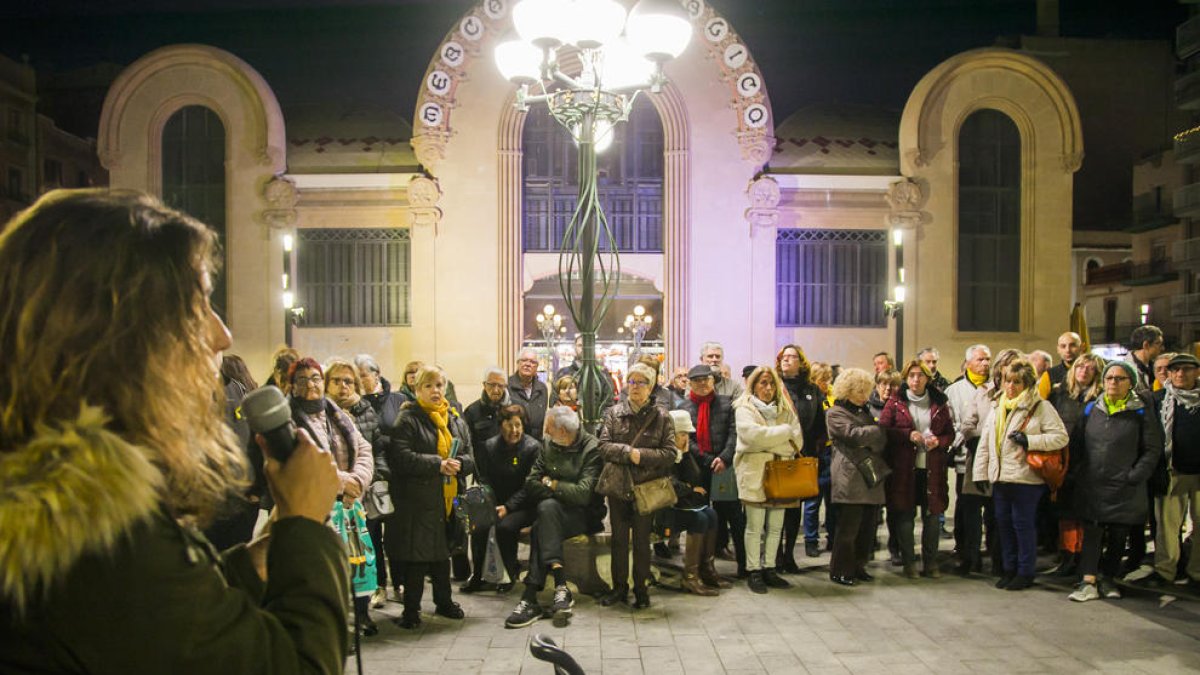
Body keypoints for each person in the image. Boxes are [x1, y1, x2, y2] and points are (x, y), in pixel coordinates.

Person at [0, 190, 348, 671]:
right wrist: (306, 527)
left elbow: (150, 626)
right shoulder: (93, 523)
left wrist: (263, 556)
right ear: (122, 332)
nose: (220, 335)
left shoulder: (63, 503)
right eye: (197, 305)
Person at [288, 357, 377, 633]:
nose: (310, 384)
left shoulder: (336, 413)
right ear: (292, 387)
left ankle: (360, 616)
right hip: (316, 508)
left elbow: (364, 449)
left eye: (314, 378)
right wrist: (344, 483)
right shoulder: (289, 419)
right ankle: (330, 625)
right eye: (302, 380)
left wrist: (357, 482)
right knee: (324, 570)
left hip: (350, 504)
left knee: (358, 563)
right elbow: (304, 462)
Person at [384, 365, 475, 629]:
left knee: (441, 554)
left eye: (439, 385)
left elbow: (470, 455)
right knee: (417, 557)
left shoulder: (454, 418)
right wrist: (437, 464)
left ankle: (443, 602)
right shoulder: (408, 419)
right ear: (417, 390)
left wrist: (459, 463)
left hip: (447, 498)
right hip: (417, 500)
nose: (435, 391)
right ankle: (411, 610)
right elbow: (401, 457)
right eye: (429, 386)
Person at [1068, 361, 1163, 601]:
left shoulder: (1141, 411)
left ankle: (1108, 578)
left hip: (1125, 486)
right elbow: (1076, 444)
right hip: (1093, 483)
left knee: (1119, 534)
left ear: (1131, 383)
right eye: (1109, 378)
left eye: (1120, 378)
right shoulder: (1092, 409)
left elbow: (1152, 449)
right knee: (1092, 532)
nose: (1113, 382)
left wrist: (1135, 475)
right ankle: (1087, 580)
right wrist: (1079, 471)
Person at [972, 359, 1068, 591]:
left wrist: (1030, 441)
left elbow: (1060, 437)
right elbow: (986, 442)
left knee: (1022, 526)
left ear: (1027, 384)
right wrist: (981, 472)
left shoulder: (1040, 406)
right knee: (1003, 525)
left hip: (1026, 479)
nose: (1011, 386)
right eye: (1008, 381)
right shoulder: (998, 405)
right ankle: (1009, 568)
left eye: (1017, 382)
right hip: (1002, 477)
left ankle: (1025, 572)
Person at [504, 406, 604, 628]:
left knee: (543, 519)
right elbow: (530, 482)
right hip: (553, 512)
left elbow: (583, 495)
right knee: (547, 512)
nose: (545, 434)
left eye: (549, 430)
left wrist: (551, 483)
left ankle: (531, 598)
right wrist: (561, 490)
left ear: (563, 432)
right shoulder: (549, 445)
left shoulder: (592, 449)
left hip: (584, 515)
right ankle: (560, 587)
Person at [597, 363, 677, 609]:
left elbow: (670, 453)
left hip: (645, 486)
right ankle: (619, 588)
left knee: (642, 541)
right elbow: (603, 446)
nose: (635, 387)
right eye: (632, 382)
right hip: (618, 486)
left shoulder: (662, 417)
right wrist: (627, 452)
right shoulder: (614, 413)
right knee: (619, 540)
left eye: (641, 382)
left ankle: (641, 590)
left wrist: (641, 456)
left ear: (650, 387)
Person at [325, 357, 394, 611]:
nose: (343, 386)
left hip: (362, 491)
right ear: (327, 383)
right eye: (337, 381)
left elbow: (375, 450)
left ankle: (370, 597)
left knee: (369, 545)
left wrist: (376, 476)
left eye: (349, 381)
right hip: (331, 495)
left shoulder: (365, 410)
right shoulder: (320, 412)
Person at [879, 360, 954, 579]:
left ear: (928, 378)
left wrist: (939, 442)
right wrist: (907, 435)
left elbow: (950, 433)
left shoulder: (939, 402)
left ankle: (930, 563)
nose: (915, 379)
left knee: (932, 516)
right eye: (911, 375)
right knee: (905, 516)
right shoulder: (895, 402)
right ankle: (909, 562)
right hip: (904, 469)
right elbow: (884, 430)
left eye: (920, 375)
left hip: (932, 467)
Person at [733, 366, 804, 593]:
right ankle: (753, 571)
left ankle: (770, 568)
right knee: (754, 526)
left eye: (772, 383)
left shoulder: (785, 410)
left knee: (776, 526)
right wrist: (783, 433)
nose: (768, 388)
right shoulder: (744, 408)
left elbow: (798, 442)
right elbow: (751, 436)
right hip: (754, 474)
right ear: (753, 385)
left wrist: (767, 441)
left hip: (781, 474)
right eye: (763, 383)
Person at [463, 404, 539, 593]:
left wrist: (508, 507)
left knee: (505, 526)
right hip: (497, 500)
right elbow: (484, 478)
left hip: (524, 504)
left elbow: (529, 486)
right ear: (500, 426)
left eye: (518, 426)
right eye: (509, 426)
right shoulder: (489, 446)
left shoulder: (532, 448)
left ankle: (508, 573)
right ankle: (478, 575)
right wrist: (489, 503)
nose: (514, 431)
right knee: (479, 524)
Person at [680, 364, 744, 577]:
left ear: (713, 381)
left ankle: (745, 566)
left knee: (734, 516)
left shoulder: (727, 404)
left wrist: (724, 458)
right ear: (690, 383)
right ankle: (703, 565)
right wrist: (709, 460)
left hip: (725, 468)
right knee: (702, 516)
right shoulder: (685, 407)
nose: (702, 384)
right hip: (699, 469)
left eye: (706, 379)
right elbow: (687, 440)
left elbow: (735, 434)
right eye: (697, 380)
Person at [826, 368, 888, 586]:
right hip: (850, 478)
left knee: (867, 529)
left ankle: (858, 566)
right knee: (848, 530)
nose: (863, 395)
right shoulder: (835, 413)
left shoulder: (865, 413)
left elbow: (878, 442)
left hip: (869, 478)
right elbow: (853, 436)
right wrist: (877, 429)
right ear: (846, 390)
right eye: (858, 391)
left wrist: (873, 433)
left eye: (865, 391)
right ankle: (840, 570)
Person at [1045, 352, 1105, 579]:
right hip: (1064, 461)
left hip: (1091, 462)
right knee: (1066, 512)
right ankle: (1067, 556)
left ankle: (1084, 558)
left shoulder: (1099, 398)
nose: (1084, 371)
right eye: (1080, 367)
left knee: (1086, 514)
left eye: (1090, 368)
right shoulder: (1059, 395)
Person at [1147, 353, 1200, 590]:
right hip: (1171, 471)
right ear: (1168, 373)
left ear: (1197, 372)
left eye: (1187, 369)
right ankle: (1165, 571)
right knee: (1167, 527)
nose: (1180, 374)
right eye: (1176, 370)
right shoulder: (1158, 399)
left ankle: (1196, 572)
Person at [775, 344, 829, 567]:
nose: (787, 360)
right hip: (777, 455)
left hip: (802, 456)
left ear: (801, 362)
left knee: (795, 507)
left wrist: (813, 452)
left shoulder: (812, 390)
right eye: (784, 357)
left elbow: (819, 424)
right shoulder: (775, 387)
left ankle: (789, 555)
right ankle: (775, 555)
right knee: (777, 508)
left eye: (792, 356)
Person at [666, 409, 725, 596]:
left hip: (682, 504)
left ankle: (706, 569)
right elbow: (671, 484)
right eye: (681, 434)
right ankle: (690, 576)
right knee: (699, 518)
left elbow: (695, 476)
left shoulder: (684, 454)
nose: (685, 439)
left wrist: (684, 456)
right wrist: (690, 488)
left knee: (711, 514)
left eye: (686, 434)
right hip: (665, 509)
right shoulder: (665, 455)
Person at [463, 366, 512, 454]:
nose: (496, 390)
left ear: (505, 386)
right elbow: (466, 446)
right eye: (492, 385)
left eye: (500, 385)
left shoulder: (516, 409)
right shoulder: (471, 411)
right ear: (484, 385)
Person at [356, 353, 409, 430]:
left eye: (363, 376)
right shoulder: (355, 404)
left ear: (376, 375)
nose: (360, 380)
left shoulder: (400, 399)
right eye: (357, 377)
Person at [510, 348, 549, 440]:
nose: (527, 364)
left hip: (536, 445)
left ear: (537, 366)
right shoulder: (507, 386)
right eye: (524, 360)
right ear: (518, 363)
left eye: (532, 362)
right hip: (513, 444)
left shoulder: (542, 389)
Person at [1126, 325, 1165, 393]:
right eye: (1158, 344)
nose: (1162, 348)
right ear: (1146, 345)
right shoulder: (1126, 372)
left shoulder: (1153, 367)